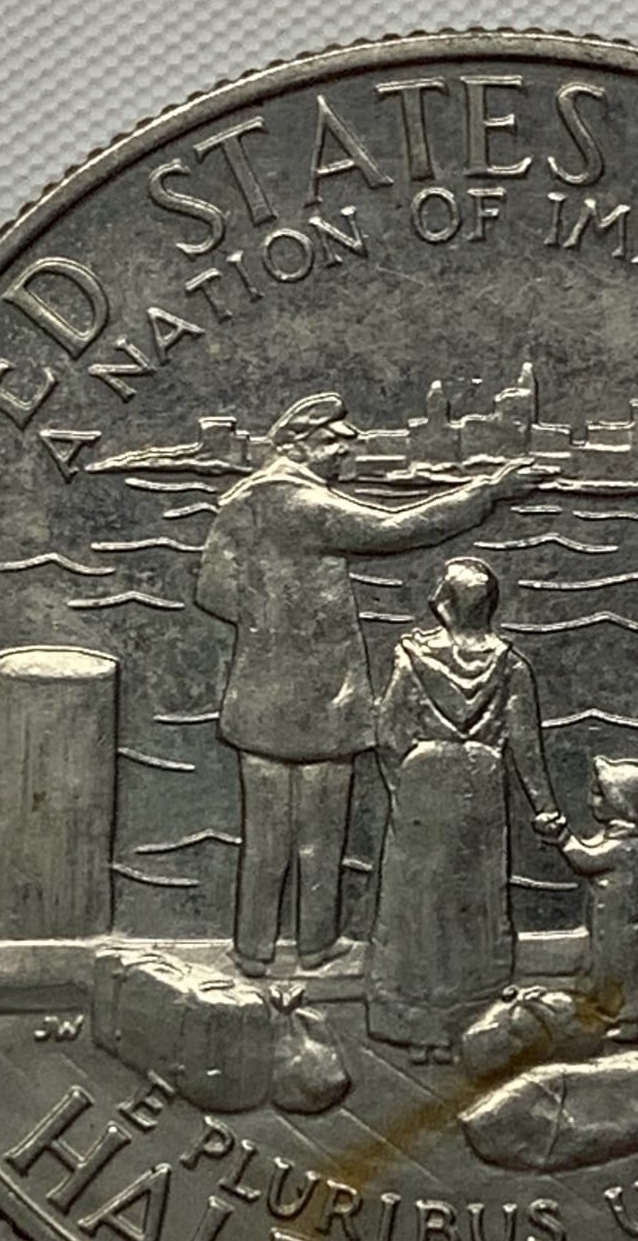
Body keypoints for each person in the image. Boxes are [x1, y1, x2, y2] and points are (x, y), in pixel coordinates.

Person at [195, 392, 536, 977]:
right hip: (322, 694)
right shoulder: (302, 502)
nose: (343, 453)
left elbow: (211, 591)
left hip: (257, 691)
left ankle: (252, 950)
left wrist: (267, 629)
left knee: (265, 835)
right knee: (321, 833)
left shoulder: (244, 500)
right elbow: (396, 528)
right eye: (332, 442)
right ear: (297, 445)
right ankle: (315, 946)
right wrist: (487, 493)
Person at [367, 558, 559, 1062]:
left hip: (423, 777)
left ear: (446, 604)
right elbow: (526, 745)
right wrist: (544, 808)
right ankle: (472, 1021)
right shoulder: (511, 665)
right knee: (475, 902)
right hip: (481, 776)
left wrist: (403, 784)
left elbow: (388, 732)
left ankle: (418, 1028)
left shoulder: (411, 657)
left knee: (417, 903)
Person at [537, 755, 638, 1040]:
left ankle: (636, 1017)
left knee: (628, 972)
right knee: (610, 966)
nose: (590, 800)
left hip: (625, 928)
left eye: (598, 794)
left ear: (619, 804)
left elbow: (586, 860)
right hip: (612, 922)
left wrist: (563, 838)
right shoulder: (625, 839)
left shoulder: (630, 846)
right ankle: (612, 1008)